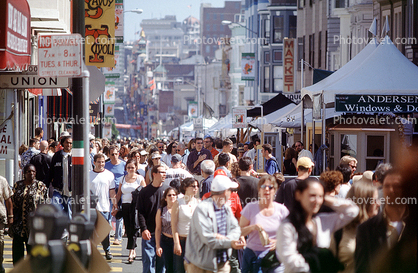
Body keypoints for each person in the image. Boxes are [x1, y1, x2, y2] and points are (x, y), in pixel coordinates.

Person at [276, 178, 359, 273]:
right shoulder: (287, 226)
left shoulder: (322, 221)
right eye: (312, 195)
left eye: (320, 196)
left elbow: (352, 211)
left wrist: (325, 199)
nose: (317, 200)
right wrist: (316, 265)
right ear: (298, 195)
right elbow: (288, 258)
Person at [184, 175, 246, 272]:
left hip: (222, 263)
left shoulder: (226, 208)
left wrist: (226, 238)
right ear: (225, 192)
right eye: (231, 190)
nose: (232, 193)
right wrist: (229, 242)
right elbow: (208, 238)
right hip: (200, 266)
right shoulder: (203, 209)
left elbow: (236, 228)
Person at [355, 168, 408, 273]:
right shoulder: (366, 229)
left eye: (396, 186)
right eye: (387, 186)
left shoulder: (412, 225)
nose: (391, 190)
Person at [240, 175, 289, 273]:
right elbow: (239, 232)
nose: (267, 189)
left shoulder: (282, 210)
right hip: (253, 256)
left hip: (274, 257)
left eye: (270, 187)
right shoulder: (250, 208)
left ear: (275, 190)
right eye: (263, 187)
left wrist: (278, 241)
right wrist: (252, 227)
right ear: (259, 190)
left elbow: (290, 233)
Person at [330, 181, 379, 273]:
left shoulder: (379, 229)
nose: (379, 204)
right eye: (375, 200)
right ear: (364, 202)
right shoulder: (338, 232)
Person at [11, 164, 48, 264]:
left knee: (33, 255)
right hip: (19, 225)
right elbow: (12, 203)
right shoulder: (17, 185)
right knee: (17, 256)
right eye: (29, 171)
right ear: (24, 173)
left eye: (33, 172)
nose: (31, 173)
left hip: (34, 226)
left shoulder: (41, 186)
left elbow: (45, 205)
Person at [137, 165, 168, 273]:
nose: (164, 174)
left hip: (164, 234)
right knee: (149, 263)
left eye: (165, 172)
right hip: (149, 232)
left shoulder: (168, 192)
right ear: (154, 174)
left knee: (162, 265)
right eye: (162, 172)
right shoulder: (144, 192)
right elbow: (140, 212)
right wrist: (144, 229)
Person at [114, 159, 146, 263]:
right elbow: (119, 194)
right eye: (128, 167)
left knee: (134, 227)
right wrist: (115, 205)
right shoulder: (123, 179)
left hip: (136, 206)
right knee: (128, 228)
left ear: (136, 168)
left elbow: (145, 193)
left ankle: (131, 251)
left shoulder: (140, 178)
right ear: (126, 168)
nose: (130, 169)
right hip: (125, 205)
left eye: (132, 167)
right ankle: (133, 248)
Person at [90, 153, 116, 260]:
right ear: (94, 162)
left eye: (103, 162)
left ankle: (107, 250)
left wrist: (115, 205)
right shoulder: (88, 174)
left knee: (104, 231)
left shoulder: (109, 175)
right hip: (91, 208)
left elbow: (112, 192)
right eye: (99, 162)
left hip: (105, 207)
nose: (101, 164)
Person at [171, 177, 200, 273]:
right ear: (185, 187)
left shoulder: (199, 203)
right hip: (182, 240)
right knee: (179, 269)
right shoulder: (178, 203)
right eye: (193, 186)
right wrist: (176, 243)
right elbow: (174, 224)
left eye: (197, 186)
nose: (196, 188)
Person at [105, 145, 126, 246]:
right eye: (112, 154)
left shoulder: (124, 165)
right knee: (109, 212)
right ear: (108, 155)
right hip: (109, 191)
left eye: (116, 154)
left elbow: (127, 177)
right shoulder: (106, 165)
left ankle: (118, 237)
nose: (114, 156)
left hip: (120, 191)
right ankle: (107, 236)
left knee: (119, 214)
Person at [155, 187, 178, 273]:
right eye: (169, 195)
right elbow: (158, 229)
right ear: (165, 198)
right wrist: (158, 246)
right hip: (166, 241)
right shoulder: (161, 211)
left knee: (178, 267)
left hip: (178, 241)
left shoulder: (180, 210)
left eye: (174, 195)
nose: (172, 197)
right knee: (169, 267)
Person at [49, 136, 72, 218]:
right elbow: (51, 172)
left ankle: (70, 230)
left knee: (69, 214)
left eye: (70, 143)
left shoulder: (74, 157)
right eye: (67, 142)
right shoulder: (57, 156)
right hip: (58, 190)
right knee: (55, 211)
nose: (68, 145)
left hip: (70, 192)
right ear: (63, 143)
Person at [0, 175, 13, 273]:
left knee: (0, 243)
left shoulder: (2, 180)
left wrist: (10, 217)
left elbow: (8, 199)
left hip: (0, 219)